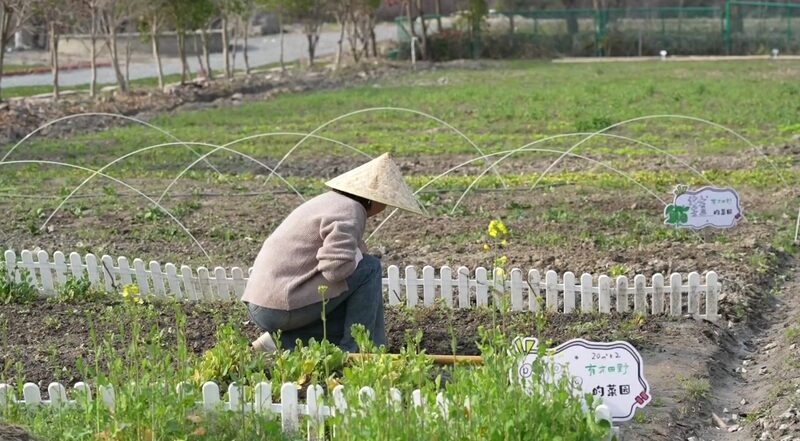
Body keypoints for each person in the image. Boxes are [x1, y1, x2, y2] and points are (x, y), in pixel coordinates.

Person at [243, 153, 425, 353]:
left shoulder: (330, 201)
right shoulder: (351, 210)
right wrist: (357, 256)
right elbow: (335, 270)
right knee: (370, 268)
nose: (386, 207)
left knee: (354, 315)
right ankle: (357, 349)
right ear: (373, 199)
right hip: (280, 306)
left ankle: (280, 343)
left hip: (263, 303)